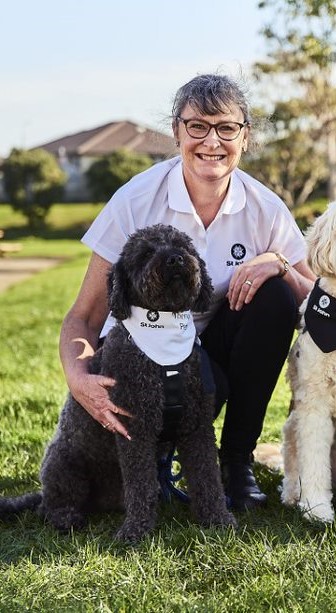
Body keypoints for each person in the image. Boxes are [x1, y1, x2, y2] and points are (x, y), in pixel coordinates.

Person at [59, 73, 315, 511]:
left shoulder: (265, 208)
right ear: (177, 131)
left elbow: (315, 299)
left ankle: (236, 460)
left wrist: (280, 262)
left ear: (245, 136)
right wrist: (79, 377)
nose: (211, 141)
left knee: (276, 296)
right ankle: (153, 457)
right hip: (141, 361)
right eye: (197, 126)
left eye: (226, 128)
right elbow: (83, 316)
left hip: (209, 364)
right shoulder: (135, 200)